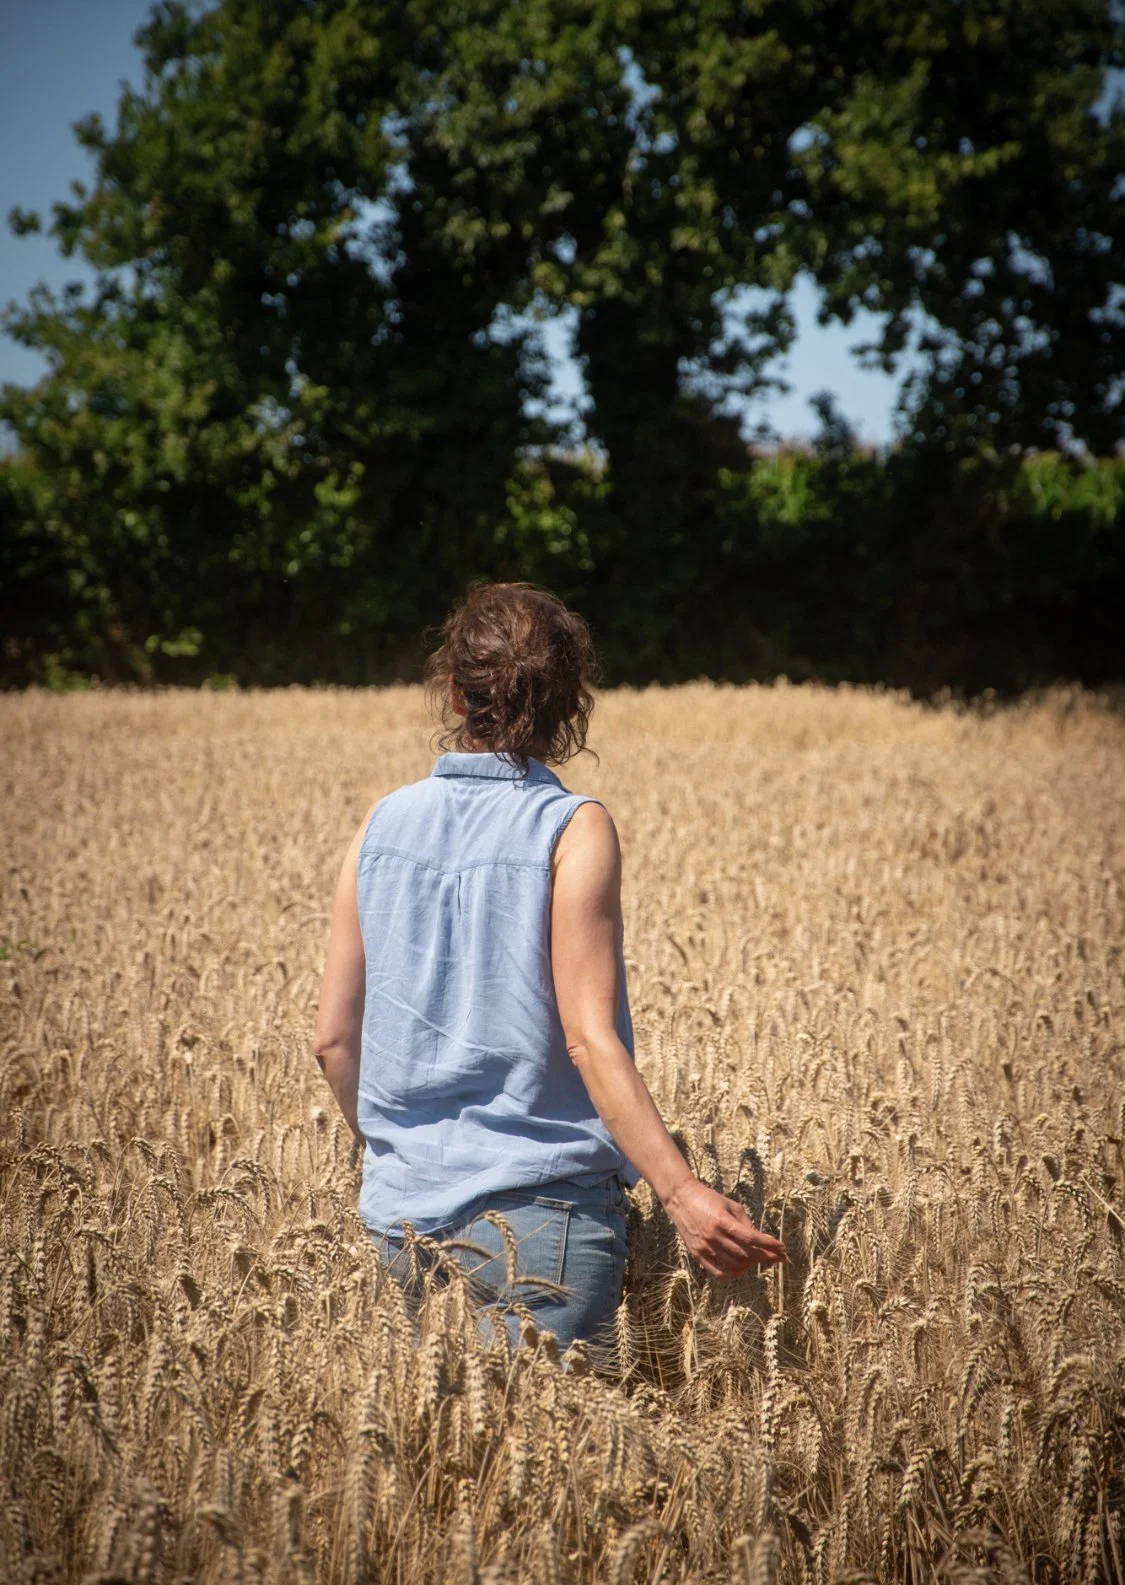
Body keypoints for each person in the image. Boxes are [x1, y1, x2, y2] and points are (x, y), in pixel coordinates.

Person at [313, 582, 785, 1355]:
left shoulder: (382, 822)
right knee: (554, 1469)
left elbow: (333, 1039)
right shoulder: (571, 827)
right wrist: (682, 1194)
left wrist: (406, 1158)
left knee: (443, 1467)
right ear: (570, 707)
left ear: (455, 695)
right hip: (545, 1225)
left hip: (399, 1221)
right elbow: (588, 1039)